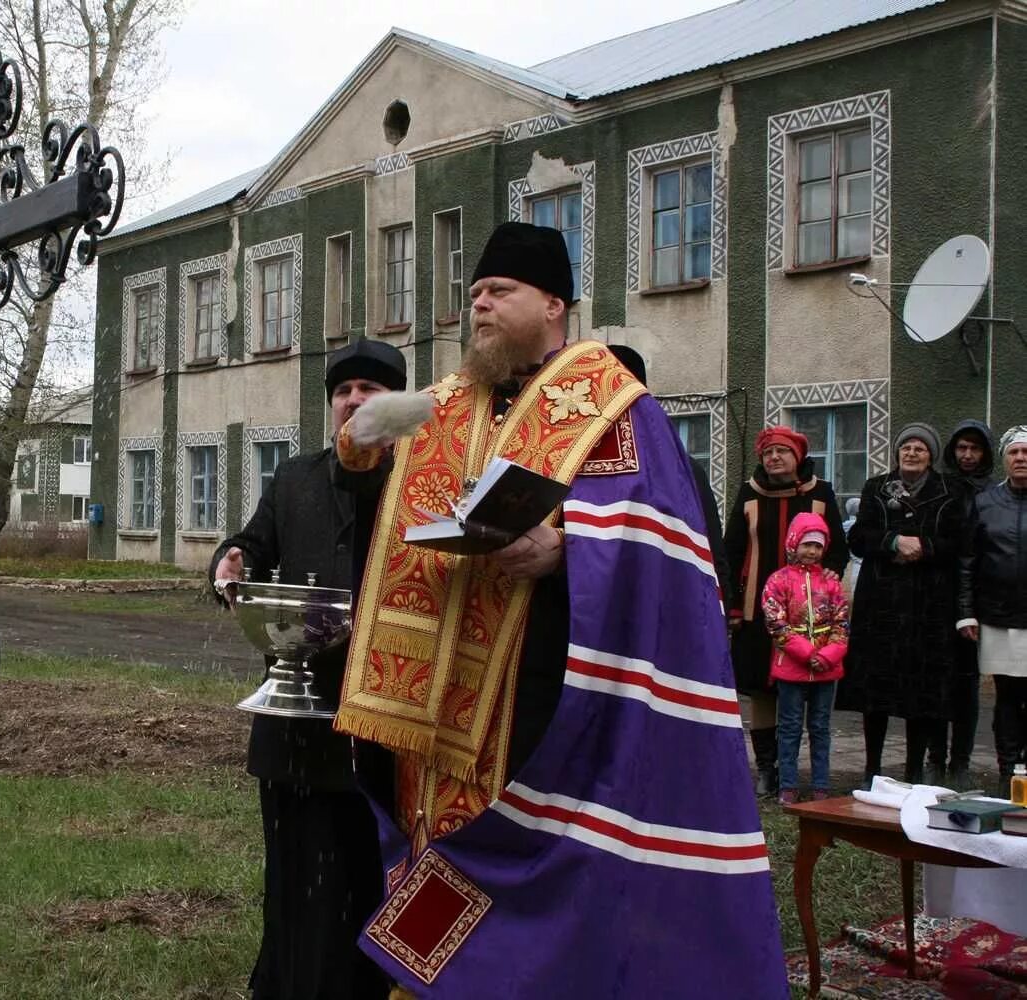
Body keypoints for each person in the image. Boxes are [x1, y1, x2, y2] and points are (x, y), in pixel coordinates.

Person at [329, 222, 786, 997]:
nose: (479, 306)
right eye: (473, 294)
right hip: (430, 704)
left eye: (498, 292)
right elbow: (363, 468)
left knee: (512, 864)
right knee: (428, 846)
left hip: (537, 696)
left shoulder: (608, 402)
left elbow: (663, 532)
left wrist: (568, 543)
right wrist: (363, 436)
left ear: (553, 304)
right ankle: (425, 986)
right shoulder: (447, 400)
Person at [208, 338, 407, 1000]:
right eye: (343, 391)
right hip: (296, 729)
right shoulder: (293, 479)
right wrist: (230, 561)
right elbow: (251, 547)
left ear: (398, 405)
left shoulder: (420, 479)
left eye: (370, 390)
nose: (353, 400)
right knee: (299, 885)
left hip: (389, 727)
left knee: (374, 879)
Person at [724, 427, 849, 796]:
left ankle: (807, 773)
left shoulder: (821, 494)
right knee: (762, 690)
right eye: (767, 452)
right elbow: (731, 552)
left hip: (813, 617)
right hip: (758, 613)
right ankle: (767, 769)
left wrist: (832, 572)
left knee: (805, 696)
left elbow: (838, 547)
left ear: (798, 457)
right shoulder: (749, 493)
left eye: (782, 451)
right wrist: (731, 604)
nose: (774, 457)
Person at [843, 423, 969, 784]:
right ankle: (872, 768)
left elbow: (958, 541)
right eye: (906, 448)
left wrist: (923, 547)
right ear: (897, 453)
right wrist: (894, 542)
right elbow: (858, 537)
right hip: (880, 604)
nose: (912, 453)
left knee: (921, 690)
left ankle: (914, 770)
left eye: (920, 448)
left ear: (931, 455)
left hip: (928, 605)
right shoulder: (876, 488)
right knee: (875, 691)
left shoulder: (950, 490)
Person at [607, 344, 731, 604]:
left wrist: (722, 612)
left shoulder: (680, 468)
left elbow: (709, 548)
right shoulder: (575, 465)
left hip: (666, 606)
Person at [761, 513, 849, 804]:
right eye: (806, 544)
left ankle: (821, 785)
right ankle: (788, 785)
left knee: (821, 728)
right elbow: (776, 623)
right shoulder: (778, 581)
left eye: (818, 546)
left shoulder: (832, 584)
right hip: (792, 668)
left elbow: (842, 624)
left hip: (826, 668)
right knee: (789, 727)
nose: (811, 552)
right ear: (794, 543)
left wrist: (828, 655)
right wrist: (806, 653)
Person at [958, 425, 1027, 795]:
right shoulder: (985, 503)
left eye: (1026, 453)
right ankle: (1009, 771)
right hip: (998, 617)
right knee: (1008, 698)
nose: (1021, 459)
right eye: (1014, 453)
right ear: (1004, 460)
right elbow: (969, 560)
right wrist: (967, 611)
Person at [933, 420, 996, 782]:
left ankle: (961, 760)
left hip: (976, 599)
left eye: (975, 448)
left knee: (967, 683)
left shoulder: (993, 492)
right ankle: (935, 757)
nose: (968, 455)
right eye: (961, 448)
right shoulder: (941, 488)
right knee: (938, 680)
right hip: (938, 595)